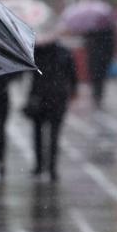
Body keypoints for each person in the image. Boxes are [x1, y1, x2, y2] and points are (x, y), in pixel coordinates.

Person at [24, 39, 78, 181]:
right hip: (56, 98)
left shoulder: (35, 53)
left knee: (39, 134)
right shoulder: (63, 52)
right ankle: (51, 168)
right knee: (53, 135)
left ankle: (40, 166)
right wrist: (73, 90)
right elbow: (72, 76)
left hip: (40, 97)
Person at [83, 27, 115, 109]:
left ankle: (97, 98)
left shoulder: (92, 33)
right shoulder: (106, 33)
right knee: (98, 80)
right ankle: (97, 98)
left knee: (97, 79)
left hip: (97, 60)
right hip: (99, 60)